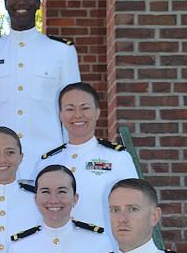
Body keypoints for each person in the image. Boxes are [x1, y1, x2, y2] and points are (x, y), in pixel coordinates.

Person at [0, 0, 81, 183]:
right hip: (0, 169)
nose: (21, 2)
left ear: (38, 3)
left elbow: (71, 114)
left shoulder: (61, 51)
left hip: (49, 164)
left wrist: (71, 166)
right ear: (5, 3)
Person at [34, 82, 138, 244]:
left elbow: (134, 207)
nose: (78, 115)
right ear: (60, 115)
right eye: (70, 109)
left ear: (97, 112)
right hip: (57, 249)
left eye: (85, 108)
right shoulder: (48, 161)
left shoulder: (117, 157)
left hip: (105, 250)